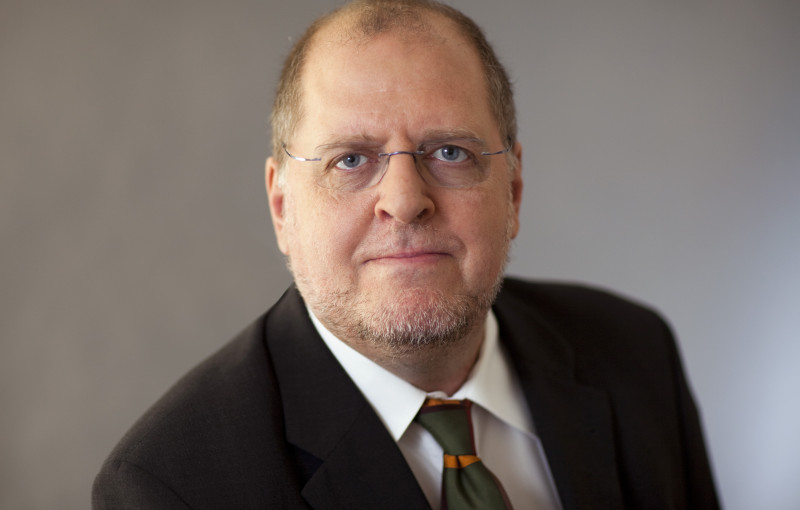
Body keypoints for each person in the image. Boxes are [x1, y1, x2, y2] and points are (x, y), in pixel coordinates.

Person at [93, 1, 720, 508]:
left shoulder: (635, 353)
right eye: (350, 160)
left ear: (513, 190)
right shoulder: (173, 487)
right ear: (282, 207)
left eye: (450, 152)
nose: (404, 201)